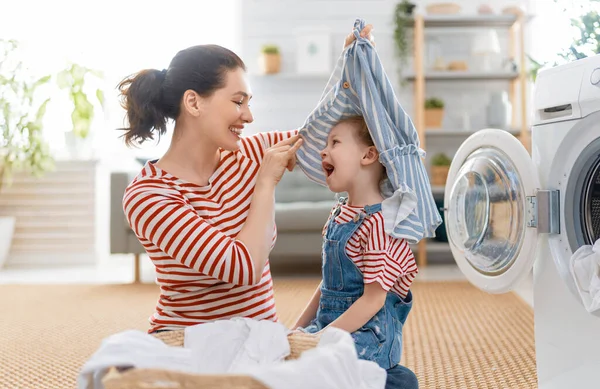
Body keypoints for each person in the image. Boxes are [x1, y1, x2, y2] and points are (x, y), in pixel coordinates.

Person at [118, 26, 373, 333]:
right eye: (238, 102)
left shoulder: (252, 152)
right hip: (190, 346)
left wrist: (354, 64)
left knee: (393, 380)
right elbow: (244, 267)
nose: (249, 116)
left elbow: (337, 132)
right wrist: (265, 182)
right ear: (194, 103)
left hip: (261, 341)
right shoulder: (149, 195)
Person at [294, 116, 419, 389]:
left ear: (368, 154)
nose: (323, 151)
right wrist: (298, 331)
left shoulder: (380, 225)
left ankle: (393, 380)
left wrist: (323, 340)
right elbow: (327, 284)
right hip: (330, 325)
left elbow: (373, 301)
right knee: (288, 358)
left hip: (367, 336)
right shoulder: (339, 213)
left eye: (335, 142)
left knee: (321, 368)